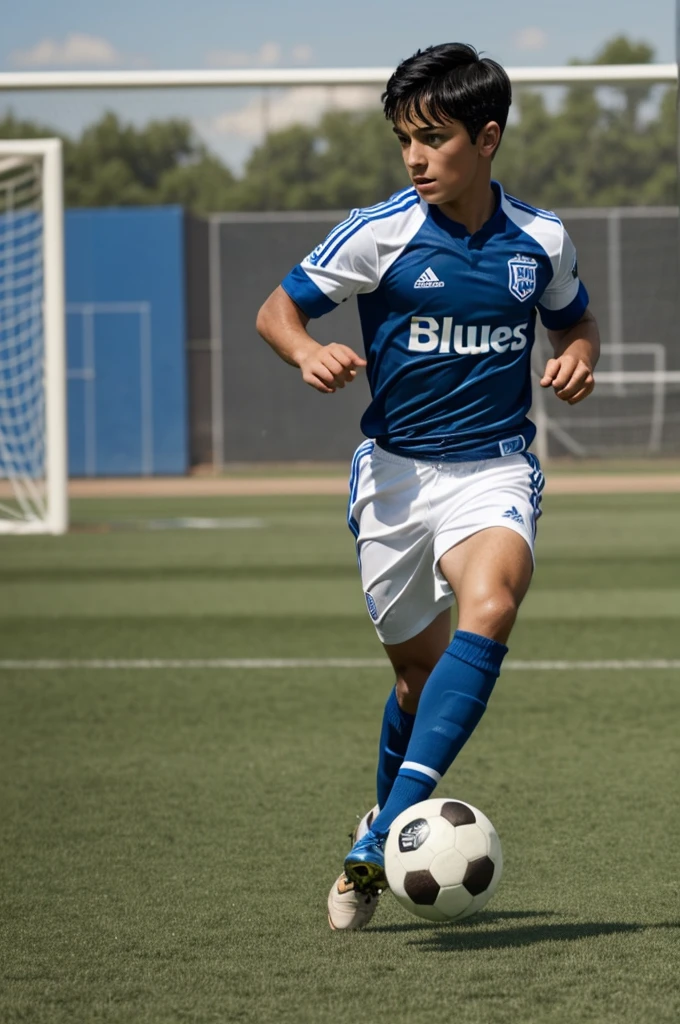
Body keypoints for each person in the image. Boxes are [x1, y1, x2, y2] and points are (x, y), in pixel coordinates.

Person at [255, 42, 600, 930]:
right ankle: (384, 813)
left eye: (433, 138)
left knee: (490, 603)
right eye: (404, 139)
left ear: (486, 139)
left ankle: (373, 848)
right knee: (417, 680)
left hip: (493, 466)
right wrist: (307, 349)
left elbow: (576, 320)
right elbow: (277, 309)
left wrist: (577, 357)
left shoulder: (541, 238)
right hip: (395, 482)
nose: (414, 157)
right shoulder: (380, 231)